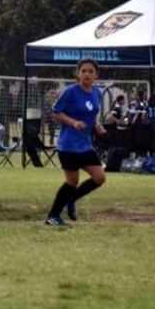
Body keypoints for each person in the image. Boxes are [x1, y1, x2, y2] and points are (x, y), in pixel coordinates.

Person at [45, 58, 108, 227]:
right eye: (84, 71)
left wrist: (97, 125)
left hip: (85, 145)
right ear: (78, 74)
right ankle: (53, 216)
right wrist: (73, 122)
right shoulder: (70, 92)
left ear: (96, 75)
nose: (87, 74)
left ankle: (71, 199)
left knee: (100, 177)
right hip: (68, 145)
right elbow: (56, 113)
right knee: (72, 181)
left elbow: (91, 114)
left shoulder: (97, 93)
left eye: (90, 71)